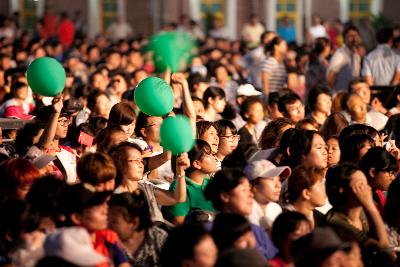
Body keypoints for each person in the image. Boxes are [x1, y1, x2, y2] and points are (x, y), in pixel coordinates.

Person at [205, 168, 278, 259]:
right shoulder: (207, 233)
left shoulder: (257, 231)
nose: (251, 195)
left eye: (249, 190)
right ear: (225, 196)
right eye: (244, 190)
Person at [111, 142, 189, 224]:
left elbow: (178, 198)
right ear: (120, 163)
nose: (141, 165)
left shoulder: (146, 188)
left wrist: (180, 172)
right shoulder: (115, 197)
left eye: (141, 161)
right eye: (136, 161)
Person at [60, 183, 130, 267]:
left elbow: (123, 263)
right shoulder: (63, 249)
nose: (105, 211)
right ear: (76, 218)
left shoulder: (108, 237)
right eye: (97, 207)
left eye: (103, 204)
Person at [325, 163, 389, 248]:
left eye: (367, 184)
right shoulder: (335, 222)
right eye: (361, 185)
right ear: (342, 190)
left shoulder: (362, 213)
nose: (368, 188)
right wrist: (369, 205)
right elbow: (381, 246)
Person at [164, 140, 217, 224]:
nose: (214, 158)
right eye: (208, 155)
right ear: (197, 164)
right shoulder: (180, 187)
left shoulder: (214, 183)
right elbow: (179, 220)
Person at [108, 191, 168, 267]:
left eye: (114, 222)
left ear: (134, 223)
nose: (108, 226)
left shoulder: (158, 238)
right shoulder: (106, 241)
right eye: (108, 220)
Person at [245, 159, 291, 230]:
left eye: (279, 180)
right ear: (253, 186)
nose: (278, 185)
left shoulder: (276, 208)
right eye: (272, 179)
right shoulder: (244, 211)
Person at [359, 147, 397, 214]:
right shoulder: (359, 203)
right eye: (390, 173)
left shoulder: (378, 192)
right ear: (373, 172)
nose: (393, 178)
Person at [327, 25, 362, 92]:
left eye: (356, 36)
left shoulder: (356, 55)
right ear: (344, 38)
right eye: (351, 36)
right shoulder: (340, 54)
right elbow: (330, 78)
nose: (354, 39)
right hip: (341, 94)